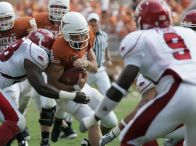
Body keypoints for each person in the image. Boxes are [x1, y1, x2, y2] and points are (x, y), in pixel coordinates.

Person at [80, 0, 196, 145]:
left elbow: (120, 88)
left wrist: (95, 117)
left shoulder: (139, 40)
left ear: (141, 20)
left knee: (130, 139)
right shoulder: (188, 35)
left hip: (178, 95)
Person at [0, 28, 88, 146]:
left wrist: (73, 87)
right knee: (17, 121)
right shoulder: (36, 52)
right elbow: (41, 87)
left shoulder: (25, 46)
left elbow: (50, 82)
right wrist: (73, 96)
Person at [46, 12, 118, 146]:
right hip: (66, 93)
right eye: (75, 35)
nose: (80, 38)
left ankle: (89, 142)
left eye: (82, 34)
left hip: (83, 86)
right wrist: (74, 90)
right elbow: (52, 83)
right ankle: (58, 120)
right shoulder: (58, 48)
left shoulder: (89, 33)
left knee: (111, 121)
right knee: (93, 121)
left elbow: (95, 67)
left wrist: (86, 63)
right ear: (65, 33)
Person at [0, 2, 37, 145]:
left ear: (13, 16)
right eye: (0, 19)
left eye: (6, 18)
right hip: (7, 73)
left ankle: (14, 134)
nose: (3, 22)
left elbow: (35, 46)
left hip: (25, 73)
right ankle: (22, 139)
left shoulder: (24, 24)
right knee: (12, 104)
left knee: (23, 105)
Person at [33, 1, 77, 145]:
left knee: (56, 101)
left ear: (68, 9)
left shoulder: (73, 21)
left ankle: (60, 127)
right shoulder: (38, 20)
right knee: (42, 101)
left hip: (62, 67)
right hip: (42, 65)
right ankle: (54, 133)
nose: (57, 11)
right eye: (55, 7)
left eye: (61, 8)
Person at [86, 12, 112, 96]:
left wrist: (108, 59)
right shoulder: (84, 35)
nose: (93, 25)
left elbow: (106, 48)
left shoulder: (104, 35)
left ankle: (104, 109)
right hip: (87, 70)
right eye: (91, 23)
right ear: (87, 24)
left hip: (100, 70)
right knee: (81, 93)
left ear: (99, 23)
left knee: (107, 94)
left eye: (95, 23)